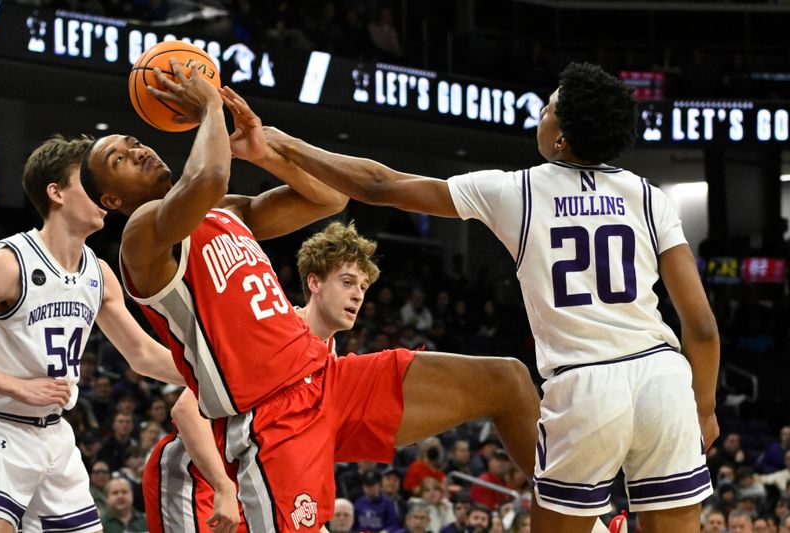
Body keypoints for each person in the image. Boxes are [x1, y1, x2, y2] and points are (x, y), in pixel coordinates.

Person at [80, 60, 541, 532]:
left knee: (506, 380)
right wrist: (210, 107)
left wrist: (264, 152)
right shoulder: (142, 236)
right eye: (119, 159)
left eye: (133, 142)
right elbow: (208, 179)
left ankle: (582, 518)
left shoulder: (223, 212)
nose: (137, 152)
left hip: (330, 378)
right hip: (272, 415)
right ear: (111, 200)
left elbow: (328, 198)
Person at [263, 61, 720, 533]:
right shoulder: (649, 197)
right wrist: (703, 409)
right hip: (662, 379)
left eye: (548, 110)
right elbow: (701, 326)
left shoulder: (517, 190)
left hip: (585, 386)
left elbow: (380, 185)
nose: (540, 115)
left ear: (561, 138)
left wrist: (289, 144)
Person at [0, 135, 184, 533]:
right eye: (89, 181)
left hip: (56, 438)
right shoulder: (8, 262)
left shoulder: (99, 273)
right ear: (56, 192)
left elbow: (143, 355)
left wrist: (218, 376)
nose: (103, 192)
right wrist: (15, 386)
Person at [142, 220, 382, 533]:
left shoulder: (330, 357)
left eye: (363, 287)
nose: (357, 296)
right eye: (348, 282)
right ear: (315, 283)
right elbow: (187, 411)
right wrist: (223, 486)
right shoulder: (273, 335)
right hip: (197, 477)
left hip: (247, 483)